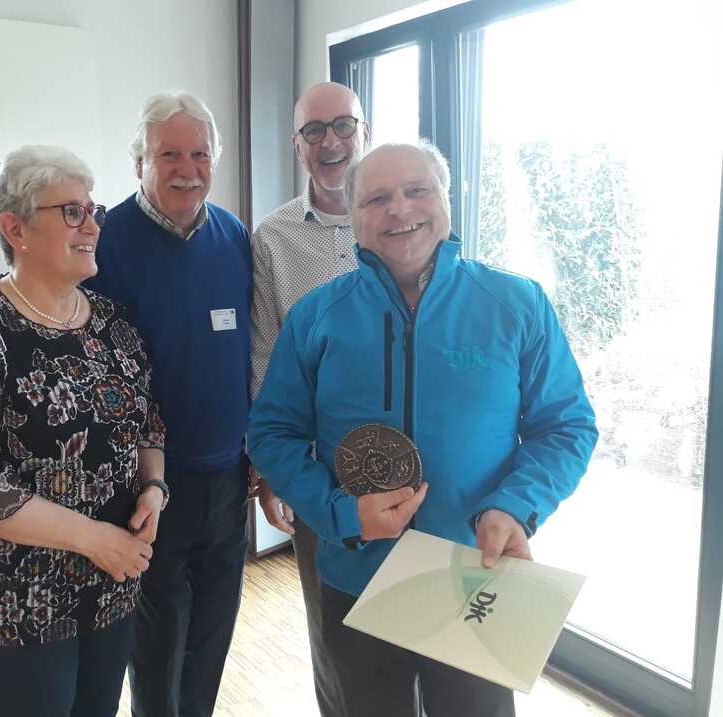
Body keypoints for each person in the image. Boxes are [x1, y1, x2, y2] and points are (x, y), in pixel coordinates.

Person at [247, 141, 598, 717]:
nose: (399, 210)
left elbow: (566, 426)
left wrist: (515, 506)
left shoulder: (516, 304)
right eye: (377, 198)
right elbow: (272, 434)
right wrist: (341, 515)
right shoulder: (317, 315)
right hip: (356, 572)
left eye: (417, 191)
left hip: (472, 575)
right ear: (354, 217)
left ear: (447, 200)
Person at [0, 145, 167, 717]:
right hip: (10, 608)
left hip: (110, 590)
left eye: (93, 210)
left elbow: (149, 423)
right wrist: (96, 539)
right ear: (14, 227)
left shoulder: (113, 323)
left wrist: (154, 489)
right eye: (71, 212)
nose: (93, 226)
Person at [85, 91, 251, 717]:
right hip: (145, 484)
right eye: (169, 154)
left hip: (228, 473)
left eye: (200, 153)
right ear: (140, 164)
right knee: (155, 641)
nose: (187, 168)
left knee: (214, 628)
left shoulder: (233, 234)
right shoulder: (105, 243)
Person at [249, 81, 369, 717]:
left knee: (429, 629)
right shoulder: (273, 239)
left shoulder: (403, 217)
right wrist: (272, 475)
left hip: (423, 473)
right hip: (322, 476)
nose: (331, 141)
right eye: (314, 131)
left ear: (363, 130)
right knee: (336, 637)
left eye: (342, 125)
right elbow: (264, 361)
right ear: (297, 145)